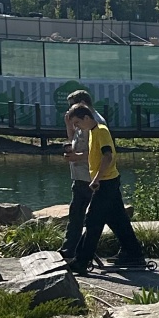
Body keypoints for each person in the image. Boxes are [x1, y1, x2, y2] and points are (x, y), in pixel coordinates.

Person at [67, 106, 151, 274]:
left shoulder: (101, 130)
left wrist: (96, 179)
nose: (76, 127)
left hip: (106, 182)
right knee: (118, 221)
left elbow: (108, 156)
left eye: (77, 123)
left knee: (92, 222)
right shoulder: (92, 132)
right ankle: (133, 253)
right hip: (108, 181)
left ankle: (81, 261)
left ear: (86, 118)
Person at [59, 89, 99, 263]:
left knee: (91, 216)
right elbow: (75, 141)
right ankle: (69, 250)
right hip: (79, 175)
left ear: (82, 103)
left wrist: (77, 157)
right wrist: (69, 125)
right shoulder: (80, 121)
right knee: (75, 214)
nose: (69, 111)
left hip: (89, 176)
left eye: (71, 107)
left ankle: (80, 253)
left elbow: (98, 151)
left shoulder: (94, 122)